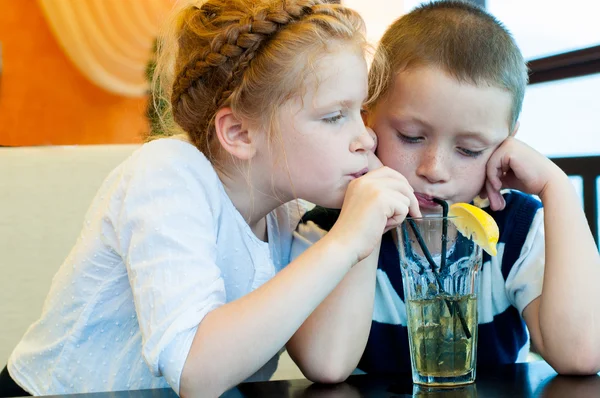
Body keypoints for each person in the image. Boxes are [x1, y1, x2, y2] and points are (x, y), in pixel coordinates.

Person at [0, 1, 421, 396]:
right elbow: (195, 373)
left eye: (359, 112)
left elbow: (329, 361)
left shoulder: (285, 208)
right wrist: (345, 241)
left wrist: (363, 234)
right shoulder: (167, 173)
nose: (365, 137)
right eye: (334, 116)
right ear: (239, 133)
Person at [293, 0, 600, 376]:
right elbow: (327, 365)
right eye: (410, 137)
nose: (434, 170)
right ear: (367, 115)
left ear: (506, 142)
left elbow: (582, 353)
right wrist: (364, 223)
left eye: (469, 150)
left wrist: (556, 189)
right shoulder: (323, 232)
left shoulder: (516, 229)